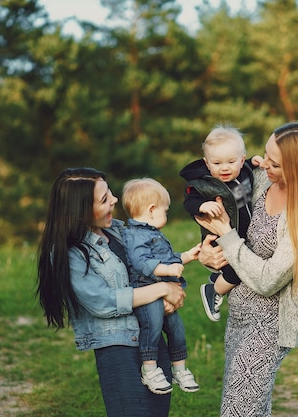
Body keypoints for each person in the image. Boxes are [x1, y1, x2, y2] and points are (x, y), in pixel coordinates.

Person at [195, 121, 298, 417]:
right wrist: (210, 252)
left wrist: (226, 235)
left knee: (238, 410)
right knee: (253, 407)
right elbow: (214, 184)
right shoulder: (262, 181)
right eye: (265, 154)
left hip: (272, 323)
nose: (263, 165)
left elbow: (267, 280)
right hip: (239, 310)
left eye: (274, 163)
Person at [36, 167, 186, 417]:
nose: (115, 200)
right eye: (104, 199)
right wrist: (161, 290)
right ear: (81, 211)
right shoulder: (71, 253)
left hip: (150, 336)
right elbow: (104, 302)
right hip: (119, 348)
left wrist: (182, 270)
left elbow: (150, 264)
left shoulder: (119, 231)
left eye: (110, 194)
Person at [120, 178, 201, 394]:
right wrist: (167, 271)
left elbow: (166, 258)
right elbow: (141, 263)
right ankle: (150, 369)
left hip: (160, 291)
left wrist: (187, 256)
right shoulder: (134, 235)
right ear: (152, 210)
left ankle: (180, 369)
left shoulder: (152, 233)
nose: (166, 215)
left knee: (177, 329)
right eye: (165, 211)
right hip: (146, 292)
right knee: (152, 326)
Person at [179, 125, 255, 321]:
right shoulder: (205, 184)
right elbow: (189, 201)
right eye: (217, 163)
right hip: (219, 239)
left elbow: (252, 166)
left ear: (241, 159)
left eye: (231, 161)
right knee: (239, 271)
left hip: (240, 236)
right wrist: (202, 205)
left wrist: (257, 162)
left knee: (244, 266)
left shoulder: (245, 171)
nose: (225, 168)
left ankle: (217, 281)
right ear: (207, 163)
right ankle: (214, 290)